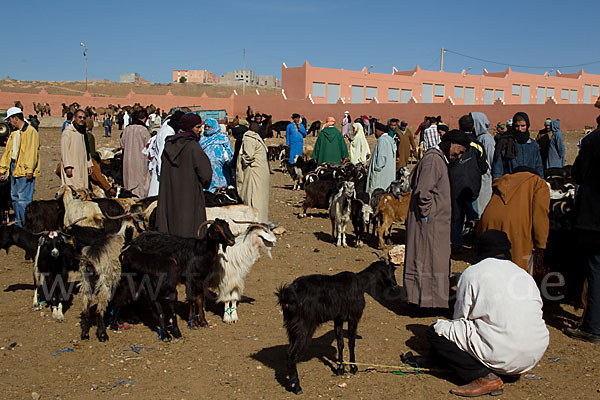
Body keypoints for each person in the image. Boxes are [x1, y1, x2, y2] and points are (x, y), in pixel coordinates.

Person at [429, 230, 549, 397]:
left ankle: (483, 377)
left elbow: (460, 317)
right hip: (533, 354)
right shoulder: (524, 275)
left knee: (436, 331)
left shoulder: (473, 273)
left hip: (502, 351)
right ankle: (509, 370)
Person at [403, 130, 469, 309]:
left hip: (433, 223)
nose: (459, 155)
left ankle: (429, 300)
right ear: (451, 144)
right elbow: (424, 192)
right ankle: (423, 302)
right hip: (429, 223)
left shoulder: (438, 159)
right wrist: (427, 215)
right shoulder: (433, 160)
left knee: (432, 262)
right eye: (459, 150)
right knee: (426, 261)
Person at [565, 121, 600, 343]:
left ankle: (593, 327)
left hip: (594, 219)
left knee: (596, 271)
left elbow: (577, 174)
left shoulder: (592, 141)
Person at [479, 167, 550, 272]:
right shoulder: (538, 183)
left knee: (491, 268)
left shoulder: (502, 183)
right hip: (517, 228)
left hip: (489, 223)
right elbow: (540, 213)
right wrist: (541, 244)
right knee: (518, 271)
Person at [156, 113, 212, 238]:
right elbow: (206, 174)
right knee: (190, 235)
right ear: (189, 127)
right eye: (197, 127)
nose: (200, 130)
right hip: (190, 198)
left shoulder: (168, 146)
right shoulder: (193, 147)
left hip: (169, 197)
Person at [449, 116, 488, 250]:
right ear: (473, 127)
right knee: (473, 216)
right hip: (472, 187)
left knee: (457, 216)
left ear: (459, 126)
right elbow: (484, 167)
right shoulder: (478, 145)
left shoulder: (454, 144)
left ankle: (456, 244)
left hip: (455, 185)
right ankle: (475, 243)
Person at [0, 107, 40, 226]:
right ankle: (18, 222)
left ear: (15, 118)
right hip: (14, 167)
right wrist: (3, 169)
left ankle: (26, 224)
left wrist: (29, 170)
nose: (9, 122)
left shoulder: (31, 132)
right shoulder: (13, 134)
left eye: (10, 120)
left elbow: (31, 152)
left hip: (24, 169)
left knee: (24, 199)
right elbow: (8, 153)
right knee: (14, 197)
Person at [492, 112, 543, 179]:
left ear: (527, 126)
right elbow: (498, 167)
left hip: (530, 184)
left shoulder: (533, 145)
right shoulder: (505, 143)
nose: (520, 129)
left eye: (523, 126)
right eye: (517, 126)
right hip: (511, 184)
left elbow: (538, 167)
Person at [236, 127, 270, 223]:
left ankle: (255, 223)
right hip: (261, 173)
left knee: (253, 198)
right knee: (260, 199)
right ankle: (261, 221)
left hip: (254, 173)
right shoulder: (258, 138)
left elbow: (249, 156)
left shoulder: (249, 138)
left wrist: (241, 160)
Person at [145, 111, 183, 197]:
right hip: (161, 172)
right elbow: (161, 156)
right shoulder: (167, 133)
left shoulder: (167, 129)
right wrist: (163, 175)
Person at [120, 109, 150, 198]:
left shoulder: (127, 129)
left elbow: (122, 144)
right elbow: (149, 146)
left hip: (127, 161)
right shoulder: (143, 130)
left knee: (128, 182)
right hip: (140, 161)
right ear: (144, 118)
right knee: (140, 185)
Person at [61, 109, 92, 190]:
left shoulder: (82, 132)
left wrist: (89, 163)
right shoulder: (68, 132)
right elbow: (65, 150)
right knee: (73, 189)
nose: (82, 119)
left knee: (82, 189)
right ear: (75, 118)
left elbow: (87, 149)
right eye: (80, 117)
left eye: (84, 118)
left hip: (82, 165)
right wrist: (68, 166)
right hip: (72, 167)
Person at [199, 118, 234, 192]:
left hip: (220, 167)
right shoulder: (202, 139)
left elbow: (229, 152)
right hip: (206, 167)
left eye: (209, 127)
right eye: (206, 127)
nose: (207, 129)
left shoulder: (222, 137)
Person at [471, 112, 495, 215]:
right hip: (478, 177)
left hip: (485, 178)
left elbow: (491, 160)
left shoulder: (487, 139)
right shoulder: (479, 138)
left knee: (483, 207)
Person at [365, 122, 396, 195]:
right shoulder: (389, 139)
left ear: (381, 131)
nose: (375, 133)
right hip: (386, 174)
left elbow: (381, 159)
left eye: (376, 131)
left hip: (380, 176)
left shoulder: (382, 141)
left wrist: (376, 169)